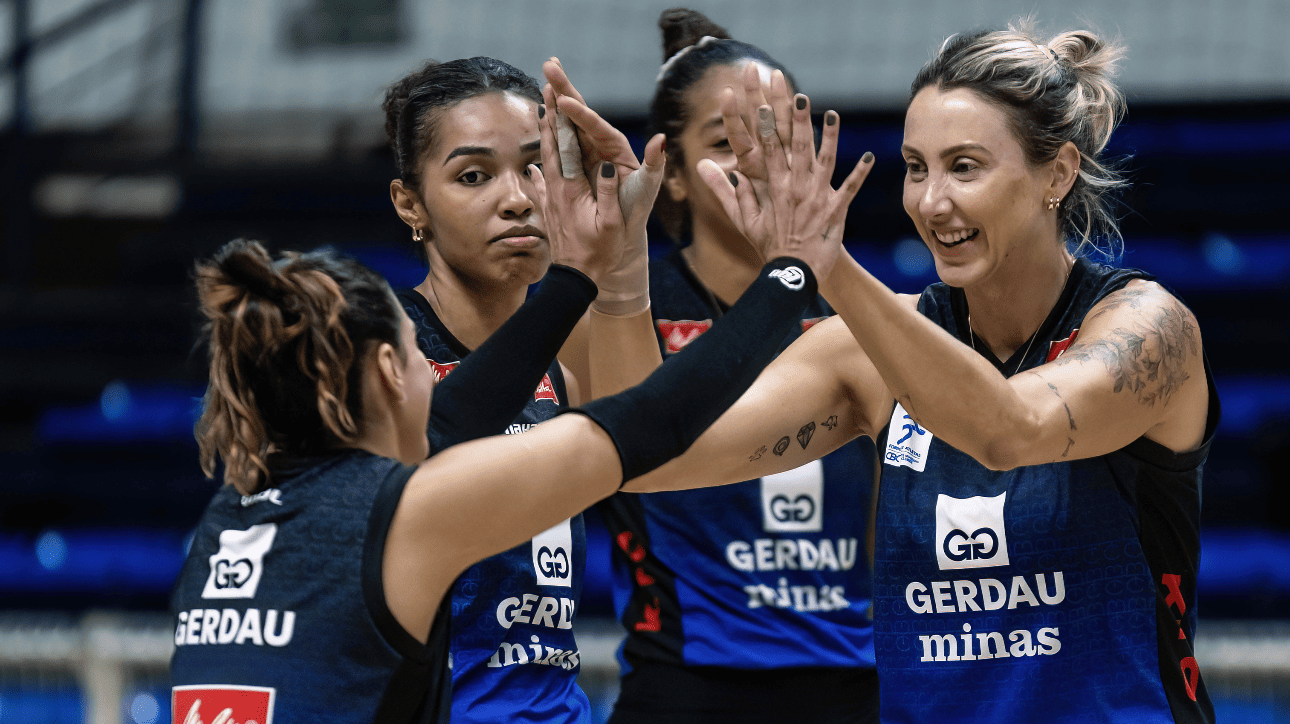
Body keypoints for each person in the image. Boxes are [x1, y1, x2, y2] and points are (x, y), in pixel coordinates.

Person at [168, 106, 853, 724]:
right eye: (413, 353)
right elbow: (654, 420)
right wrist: (793, 269)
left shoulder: (233, 516)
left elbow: (456, 419)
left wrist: (581, 270)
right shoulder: (400, 513)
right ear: (385, 372)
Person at [633, 21, 1219, 723]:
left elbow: (1011, 430)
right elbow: (655, 459)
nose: (931, 202)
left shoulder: (1151, 330)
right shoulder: (862, 350)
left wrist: (831, 266)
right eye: (916, 167)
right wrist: (612, 276)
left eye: (964, 167)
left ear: (1057, 173)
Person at [594, 9, 878, 724]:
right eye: (726, 141)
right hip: (686, 685)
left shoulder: (866, 313)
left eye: (779, 135)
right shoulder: (618, 314)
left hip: (860, 681)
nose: (758, 158)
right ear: (677, 176)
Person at [379, 56, 663, 722]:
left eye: (535, 166)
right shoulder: (381, 353)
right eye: (473, 176)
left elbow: (656, 466)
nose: (516, 197)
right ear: (409, 203)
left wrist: (623, 252)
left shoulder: (572, 356)